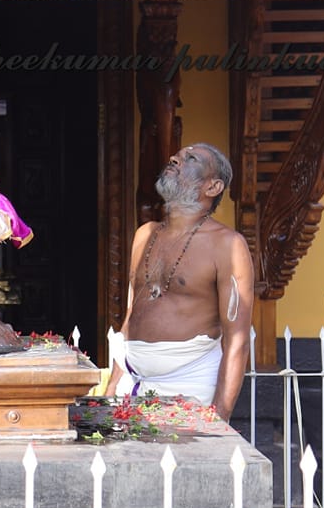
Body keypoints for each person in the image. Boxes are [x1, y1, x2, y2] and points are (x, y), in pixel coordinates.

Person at [105, 143, 257, 417]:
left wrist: (220, 418)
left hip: (191, 382)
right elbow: (132, 315)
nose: (175, 158)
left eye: (191, 159)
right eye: (177, 155)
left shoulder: (228, 245)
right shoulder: (144, 234)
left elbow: (237, 339)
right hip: (132, 380)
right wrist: (114, 383)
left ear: (213, 187)